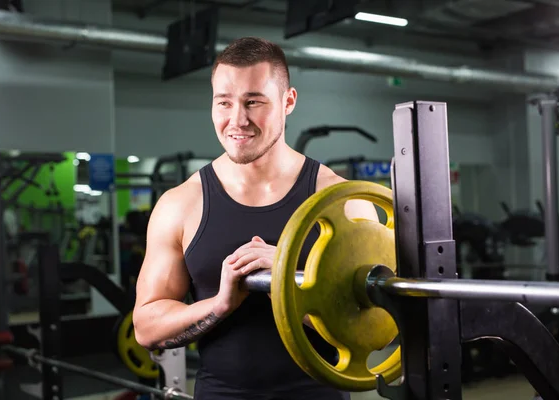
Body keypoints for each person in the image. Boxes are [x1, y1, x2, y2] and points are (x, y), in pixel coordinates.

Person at [133, 36, 379, 400]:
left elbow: (371, 322)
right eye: (224, 102)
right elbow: (147, 327)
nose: (238, 120)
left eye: (254, 102)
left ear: (288, 101)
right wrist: (219, 305)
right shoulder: (180, 204)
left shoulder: (341, 200)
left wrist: (288, 277)